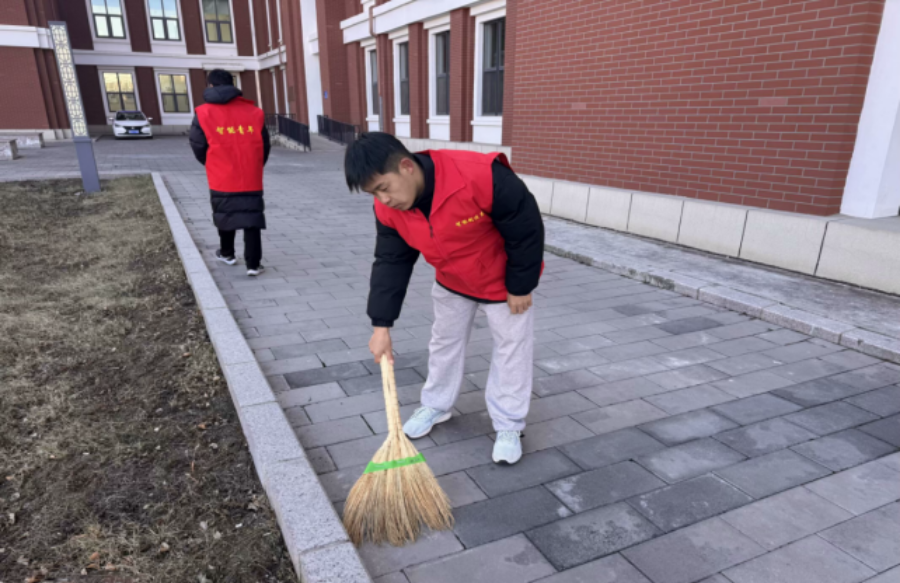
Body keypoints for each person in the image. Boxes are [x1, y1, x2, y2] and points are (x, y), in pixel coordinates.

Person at [345, 132, 544, 465]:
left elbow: (525, 227)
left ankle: (509, 423)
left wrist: (521, 285)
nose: (384, 199)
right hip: (452, 281)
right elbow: (391, 262)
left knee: (512, 348)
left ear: (406, 166)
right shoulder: (388, 209)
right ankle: (436, 405)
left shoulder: (479, 175)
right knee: (443, 342)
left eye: (384, 187)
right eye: (374, 194)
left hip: (502, 284)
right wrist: (381, 325)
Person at [189, 69, 271, 276]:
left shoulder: (203, 112)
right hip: (250, 174)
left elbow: (198, 145)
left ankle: (227, 254)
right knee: (251, 217)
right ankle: (253, 264)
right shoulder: (255, 112)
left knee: (225, 213)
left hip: (221, 175)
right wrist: (256, 165)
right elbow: (265, 145)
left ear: (210, 86)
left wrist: (211, 163)